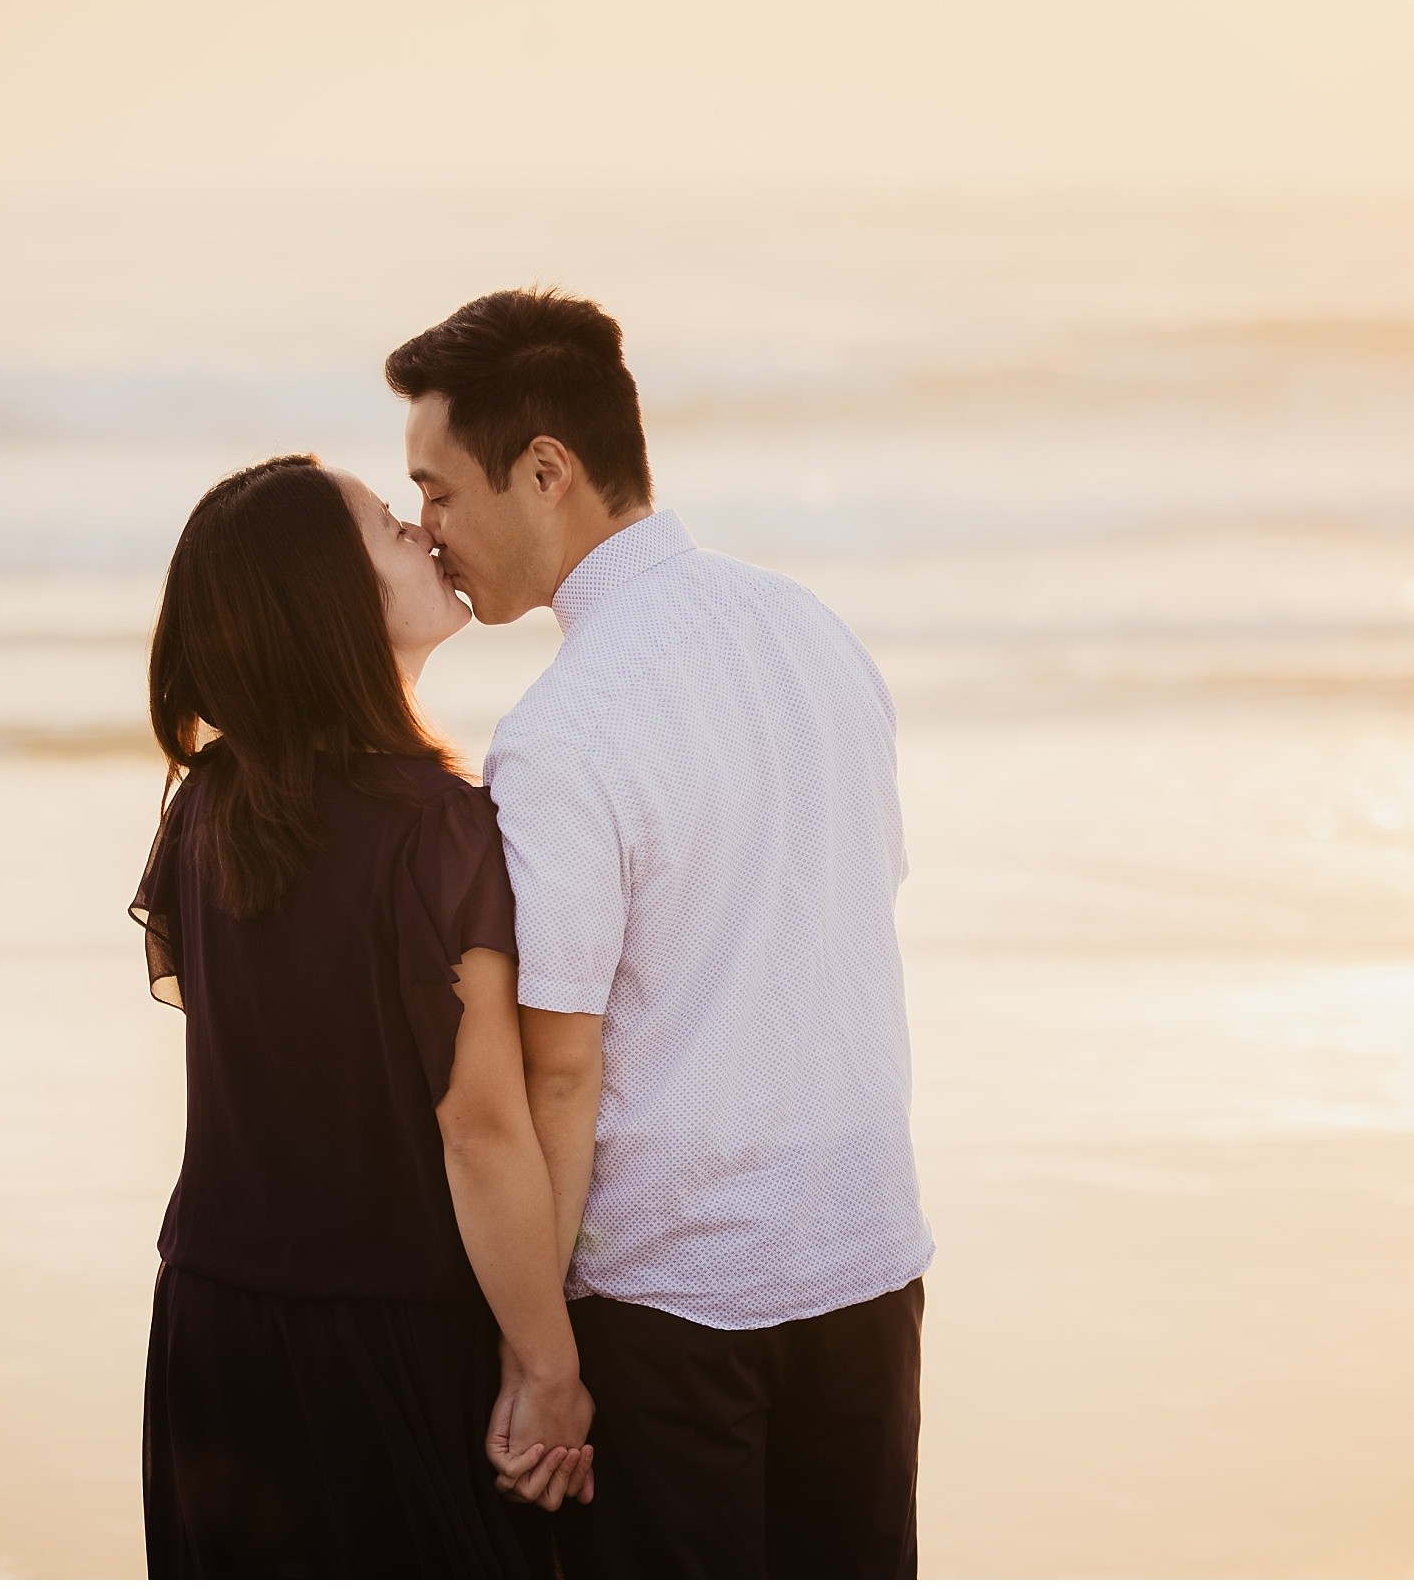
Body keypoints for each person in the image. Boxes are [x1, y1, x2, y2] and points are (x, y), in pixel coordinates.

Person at [388, 291, 936, 1577]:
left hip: (673, 1302)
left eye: (440, 491)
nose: (428, 533)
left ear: (546, 470)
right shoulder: (812, 628)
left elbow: (561, 1067)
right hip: (867, 1252)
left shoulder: (562, 732)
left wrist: (542, 1362)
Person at [132, 453, 593, 1577]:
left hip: (211, 1327)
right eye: (392, 530)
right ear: (329, 603)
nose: (427, 535)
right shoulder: (434, 831)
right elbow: (479, 1127)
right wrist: (548, 1367)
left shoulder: (209, 809)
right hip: (385, 1341)